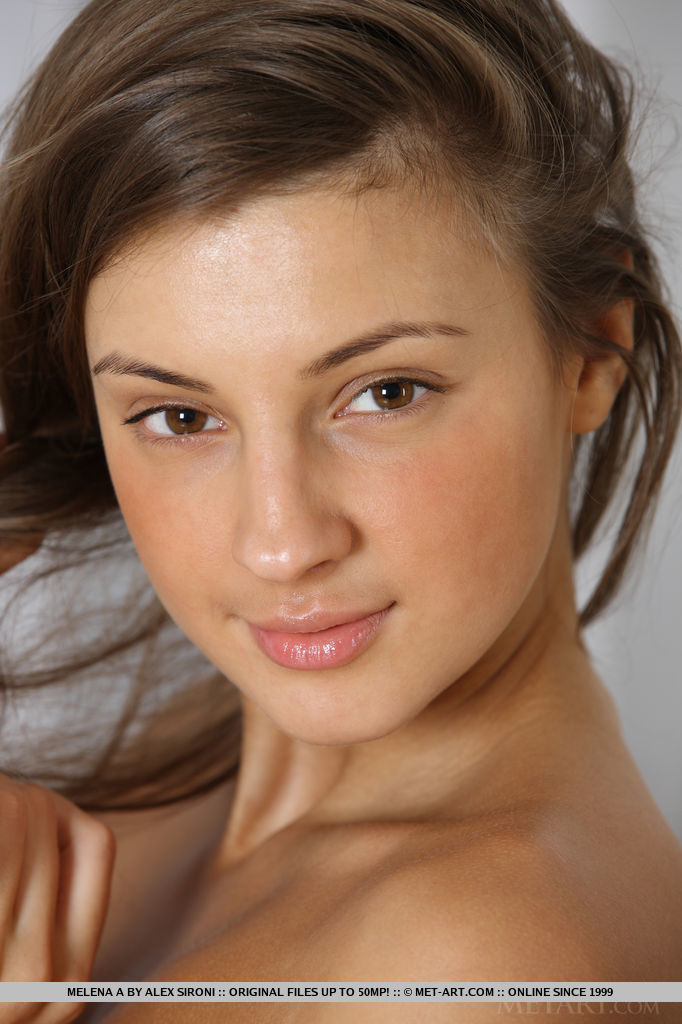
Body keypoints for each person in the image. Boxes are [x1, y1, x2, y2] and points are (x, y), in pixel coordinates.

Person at [0, 0, 681, 1020]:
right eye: (181, 416)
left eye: (385, 393)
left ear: (593, 350)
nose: (282, 544)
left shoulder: (475, 966)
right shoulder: (121, 823)